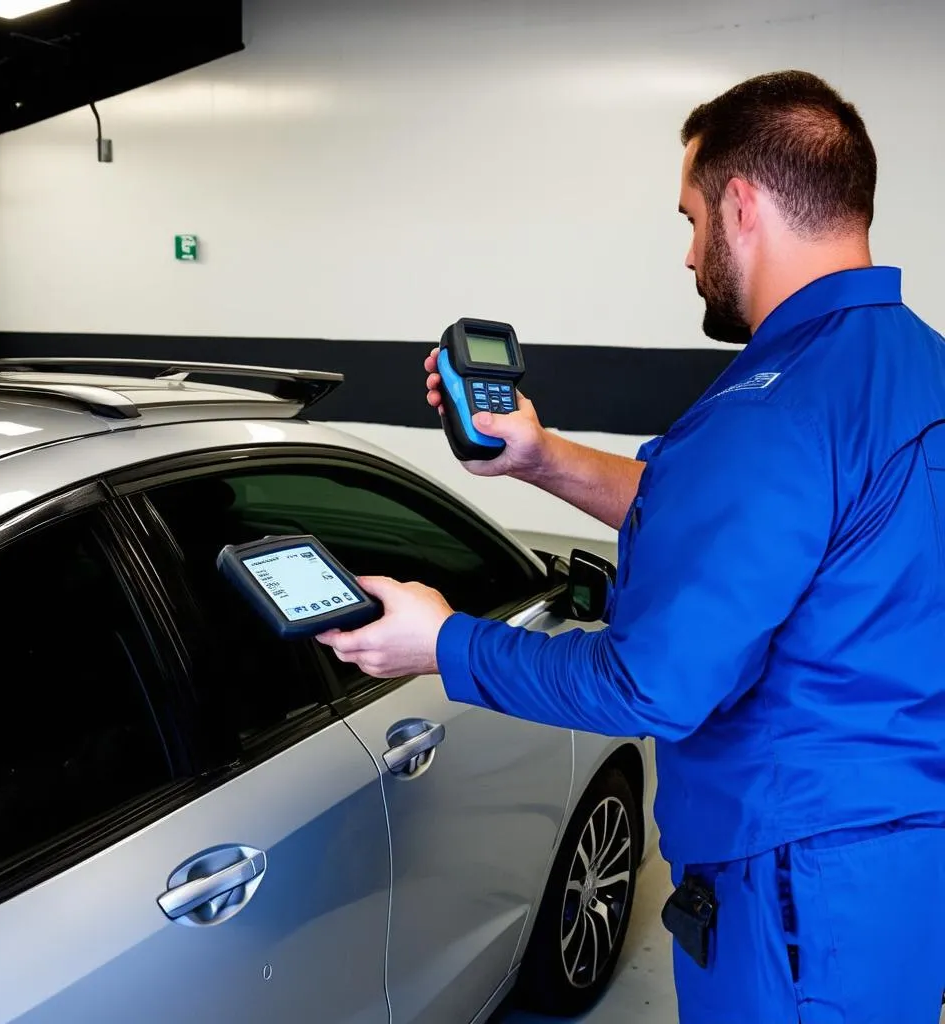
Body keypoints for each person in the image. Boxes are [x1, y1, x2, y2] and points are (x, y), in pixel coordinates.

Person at [317, 70, 945, 1023]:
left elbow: (650, 684)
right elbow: (731, 524)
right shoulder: (913, 367)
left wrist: (442, 643)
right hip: (899, 866)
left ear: (742, 205)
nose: (690, 254)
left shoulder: (773, 411)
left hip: (794, 896)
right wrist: (538, 457)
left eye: (690, 219)